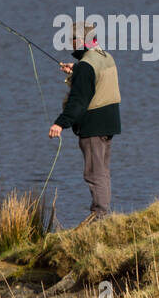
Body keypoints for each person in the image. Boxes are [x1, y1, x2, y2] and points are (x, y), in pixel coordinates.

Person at [47, 22, 121, 227]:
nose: (69, 45)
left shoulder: (86, 66)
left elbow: (78, 101)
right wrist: (75, 72)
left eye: (71, 40)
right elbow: (96, 83)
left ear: (80, 41)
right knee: (103, 171)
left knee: (94, 173)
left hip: (93, 126)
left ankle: (99, 217)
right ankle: (102, 214)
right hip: (109, 123)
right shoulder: (105, 56)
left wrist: (60, 124)